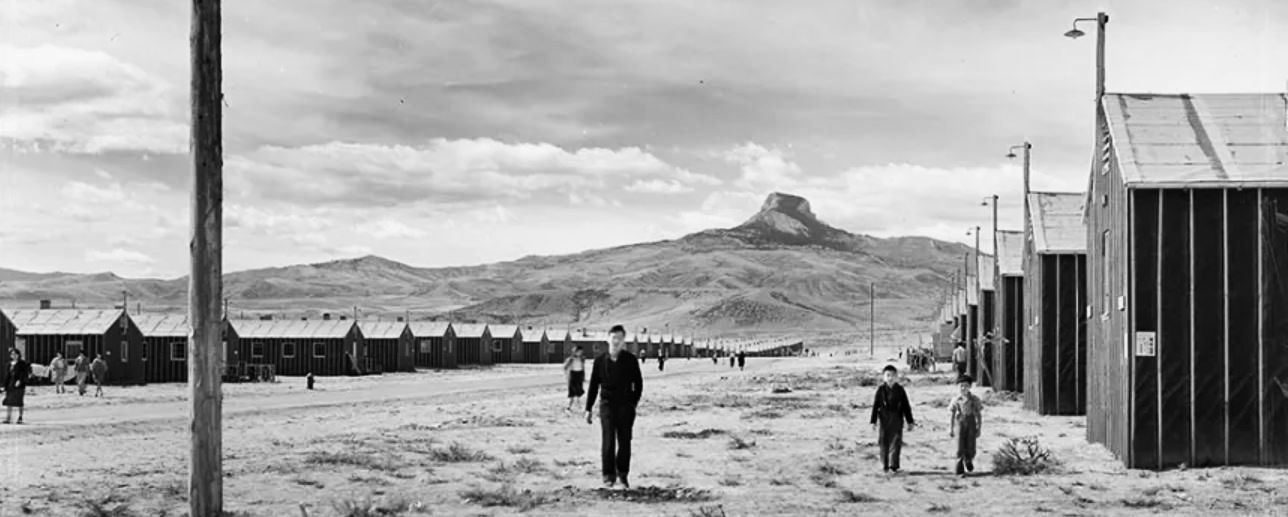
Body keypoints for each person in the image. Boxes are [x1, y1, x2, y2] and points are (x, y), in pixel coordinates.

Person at [585, 325, 643, 490]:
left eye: (620, 338)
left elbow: (638, 383)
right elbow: (593, 386)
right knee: (608, 440)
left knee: (624, 441)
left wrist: (633, 403)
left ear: (624, 341)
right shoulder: (599, 361)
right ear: (607, 339)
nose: (616, 341)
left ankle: (622, 475)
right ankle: (608, 476)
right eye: (614, 337)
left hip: (626, 406)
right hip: (607, 405)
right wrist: (588, 408)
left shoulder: (630, 360)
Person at [869, 365, 915, 474]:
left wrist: (910, 421)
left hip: (897, 419)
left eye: (893, 376)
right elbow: (875, 406)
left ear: (897, 377)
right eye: (888, 375)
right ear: (883, 377)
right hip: (884, 419)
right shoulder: (881, 390)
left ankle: (893, 465)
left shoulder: (900, 390)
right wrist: (873, 421)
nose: (890, 378)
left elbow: (906, 406)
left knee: (896, 441)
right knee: (883, 441)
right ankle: (884, 464)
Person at [949, 374, 983, 476]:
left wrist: (979, 427)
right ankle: (959, 467)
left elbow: (978, 414)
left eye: (966, 386)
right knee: (959, 445)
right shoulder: (956, 400)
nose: (963, 388)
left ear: (970, 387)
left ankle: (969, 459)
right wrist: (951, 428)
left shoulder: (974, 399)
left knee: (970, 444)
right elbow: (952, 414)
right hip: (959, 423)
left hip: (971, 423)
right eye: (961, 386)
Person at [3, 349, 31, 424]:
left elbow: (24, 373)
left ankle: (20, 417)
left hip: (19, 385)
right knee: (8, 401)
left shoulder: (22, 363)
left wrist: (20, 381)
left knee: (19, 401)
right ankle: (8, 418)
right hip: (10, 384)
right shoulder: (9, 364)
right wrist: (5, 386)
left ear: (18, 355)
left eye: (15, 354)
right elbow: (7, 375)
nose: (13, 355)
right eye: (12, 354)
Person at [563, 346, 586, 412]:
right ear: (575, 351)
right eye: (578, 351)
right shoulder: (571, 359)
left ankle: (580, 407)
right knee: (572, 393)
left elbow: (583, 367)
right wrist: (567, 374)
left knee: (579, 392)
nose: (580, 353)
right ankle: (568, 407)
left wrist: (583, 376)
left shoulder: (582, 359)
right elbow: (565, 367)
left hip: (579, 374)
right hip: (573, 375)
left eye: (581, 352)